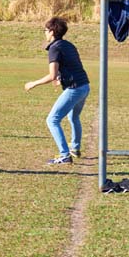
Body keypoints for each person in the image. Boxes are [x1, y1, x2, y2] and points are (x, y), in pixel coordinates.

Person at [24, 16, 90, 165]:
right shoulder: (68, 45)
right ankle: (75, 148)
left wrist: (33, 83)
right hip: (85, 86)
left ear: (52, 32)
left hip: (75, 89)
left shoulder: (54, 48)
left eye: (45, 30)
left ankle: (65, 155)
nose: (44, 33)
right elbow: (71, 65)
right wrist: (61, 77)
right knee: (73, 118)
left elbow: (52, 75)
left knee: (52, 120)